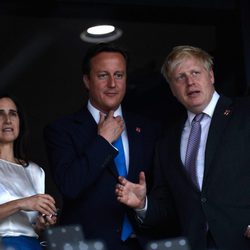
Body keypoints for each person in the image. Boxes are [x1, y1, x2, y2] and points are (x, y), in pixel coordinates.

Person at [115, 45, 250, 250]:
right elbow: (169, 205)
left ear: (211, 75)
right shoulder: (167, 140)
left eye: (196, 72)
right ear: (172, 90)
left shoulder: (244, 113)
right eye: (180, 77)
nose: (190, 82)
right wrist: (143, 204)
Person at [43, 43, 162, 250]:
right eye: (102, 76)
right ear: (87, 81)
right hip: (88, 245)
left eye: (119, 75)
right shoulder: (61, 130)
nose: (112, 84)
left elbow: (162, 191)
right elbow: (70, 186)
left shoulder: (148, 128)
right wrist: (103, 141)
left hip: (141, 243)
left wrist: (143, 206)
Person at [0, 94, 57, 250]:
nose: (7, 120)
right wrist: (22, 203)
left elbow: (33, 229)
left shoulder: (35, 171)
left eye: (13, 113)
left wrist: (41, 223)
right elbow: (26, 204)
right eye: (0, 113)